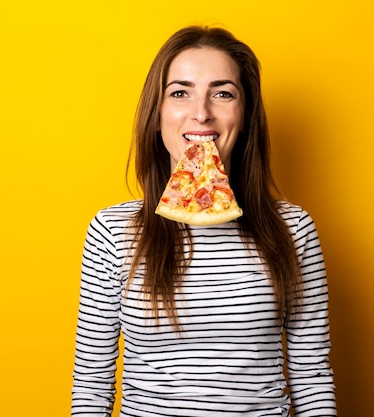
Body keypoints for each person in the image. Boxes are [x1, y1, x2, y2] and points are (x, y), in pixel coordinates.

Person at [71, 26, 336, 417]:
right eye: (180, 92)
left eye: (223, 93)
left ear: (244, 116)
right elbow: (92, 383)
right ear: (157, 114)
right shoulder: (113, 229)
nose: (201, 112)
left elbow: (311, 375)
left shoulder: (293, 229)